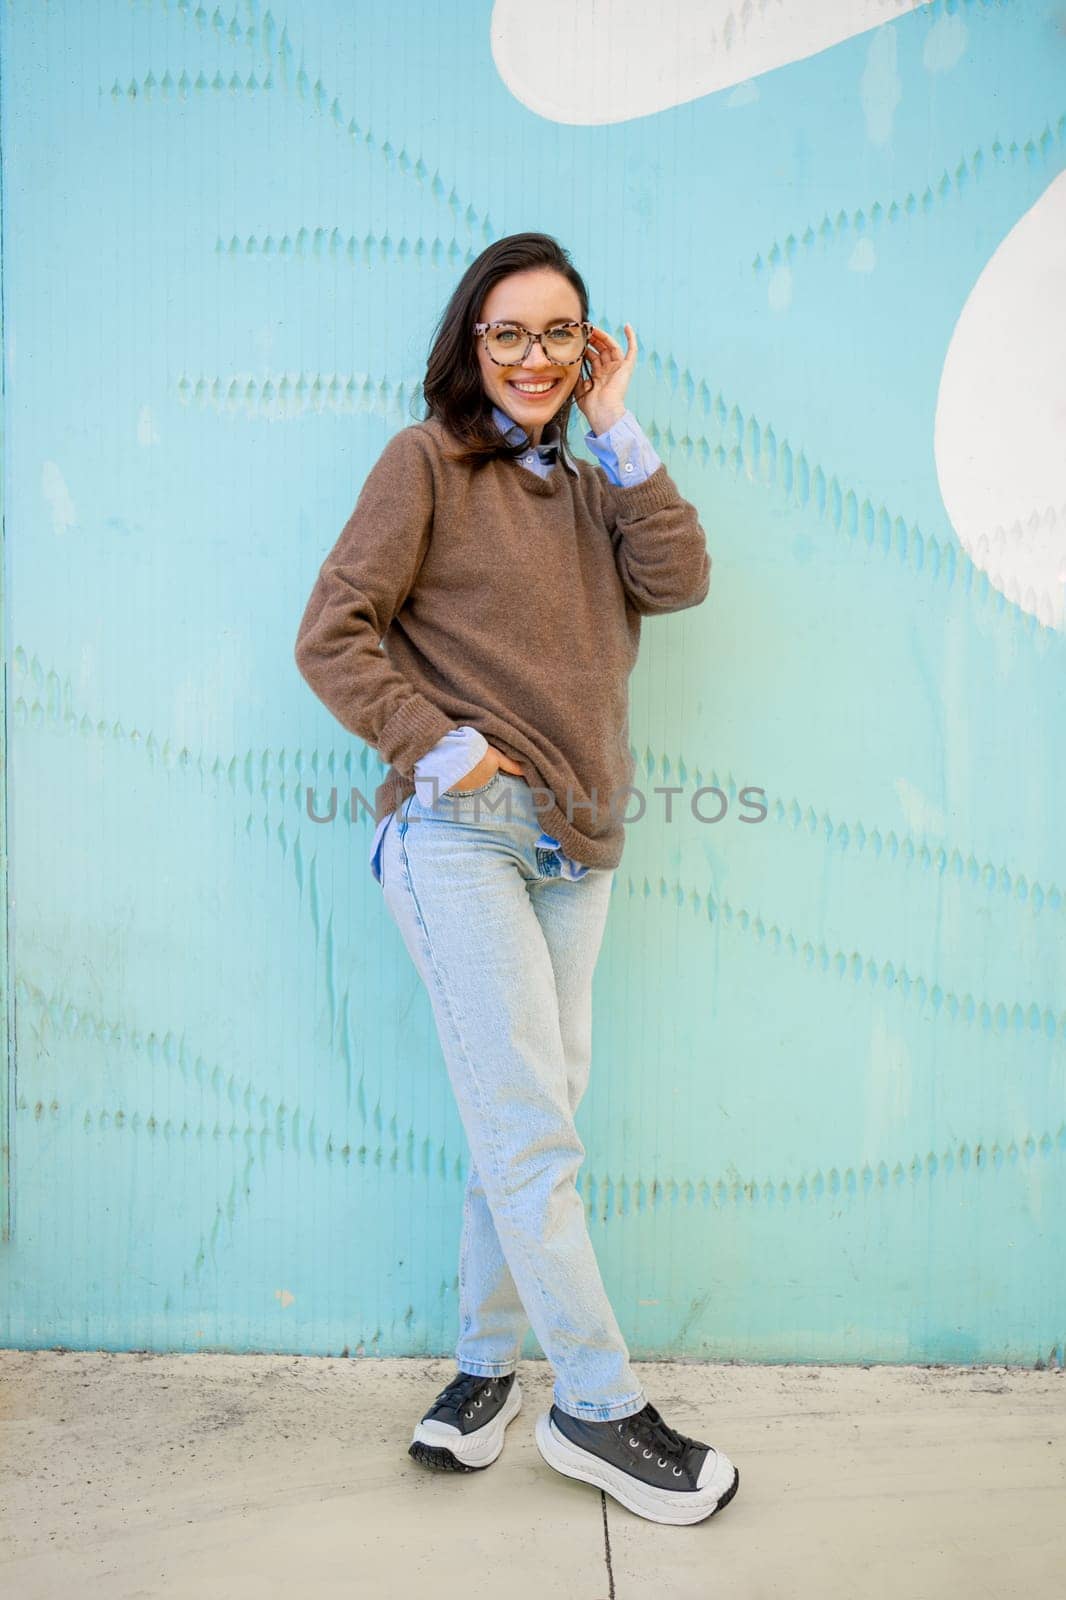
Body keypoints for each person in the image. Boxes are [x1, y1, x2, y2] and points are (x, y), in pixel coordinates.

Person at [294, 231, 740, 1527]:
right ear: (469, 344)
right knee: (532, 1128)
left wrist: (621, 425)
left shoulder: (602, 483)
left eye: (561, 335)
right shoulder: (422, 462)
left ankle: (485, 1371)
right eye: (509, 334)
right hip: (458, 839)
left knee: (523, 1122)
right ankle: (595, 1408)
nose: (535, 358)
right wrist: (440, 748)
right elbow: (332, 632)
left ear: (589, 345)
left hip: (577, 848)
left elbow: (680, 579)